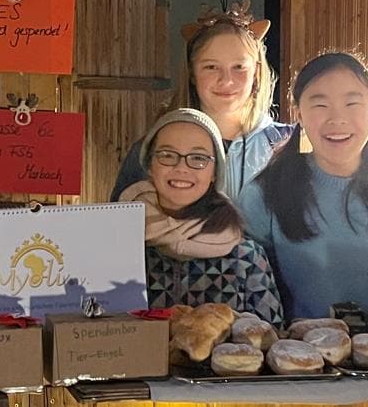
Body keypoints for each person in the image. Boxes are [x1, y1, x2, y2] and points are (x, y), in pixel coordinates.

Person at [238, 51, 368, 320]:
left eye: (353, 104)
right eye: (320, 105)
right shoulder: (264, 194)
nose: (337, 119)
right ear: (299, 114)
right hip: (295, 355)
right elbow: (249, 289)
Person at [110, 0, 290, 201]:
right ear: (192, 73)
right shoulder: (152, 150)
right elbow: (121, 227)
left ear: (256, 72)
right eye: (211, 67)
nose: (226, 80)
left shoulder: (289, 147)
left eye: (239, 67)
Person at [119, 109, 282, 323]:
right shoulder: (120, 248)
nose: (182, 167)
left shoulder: (247, 259)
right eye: (167, 155)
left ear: (215, 172)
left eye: (198, 158)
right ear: (150, 165)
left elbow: (270, 339)